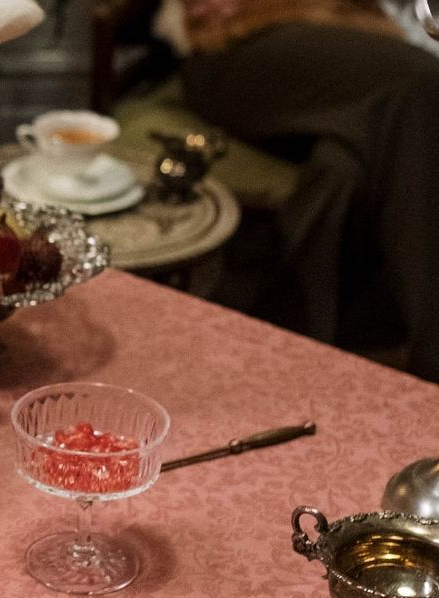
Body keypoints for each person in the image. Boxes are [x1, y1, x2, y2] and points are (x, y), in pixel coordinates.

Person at [164, 0, 439, 381]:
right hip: (239, 39)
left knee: (344, 167)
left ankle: (292, 346)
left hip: (357, 30)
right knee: (423, 86)